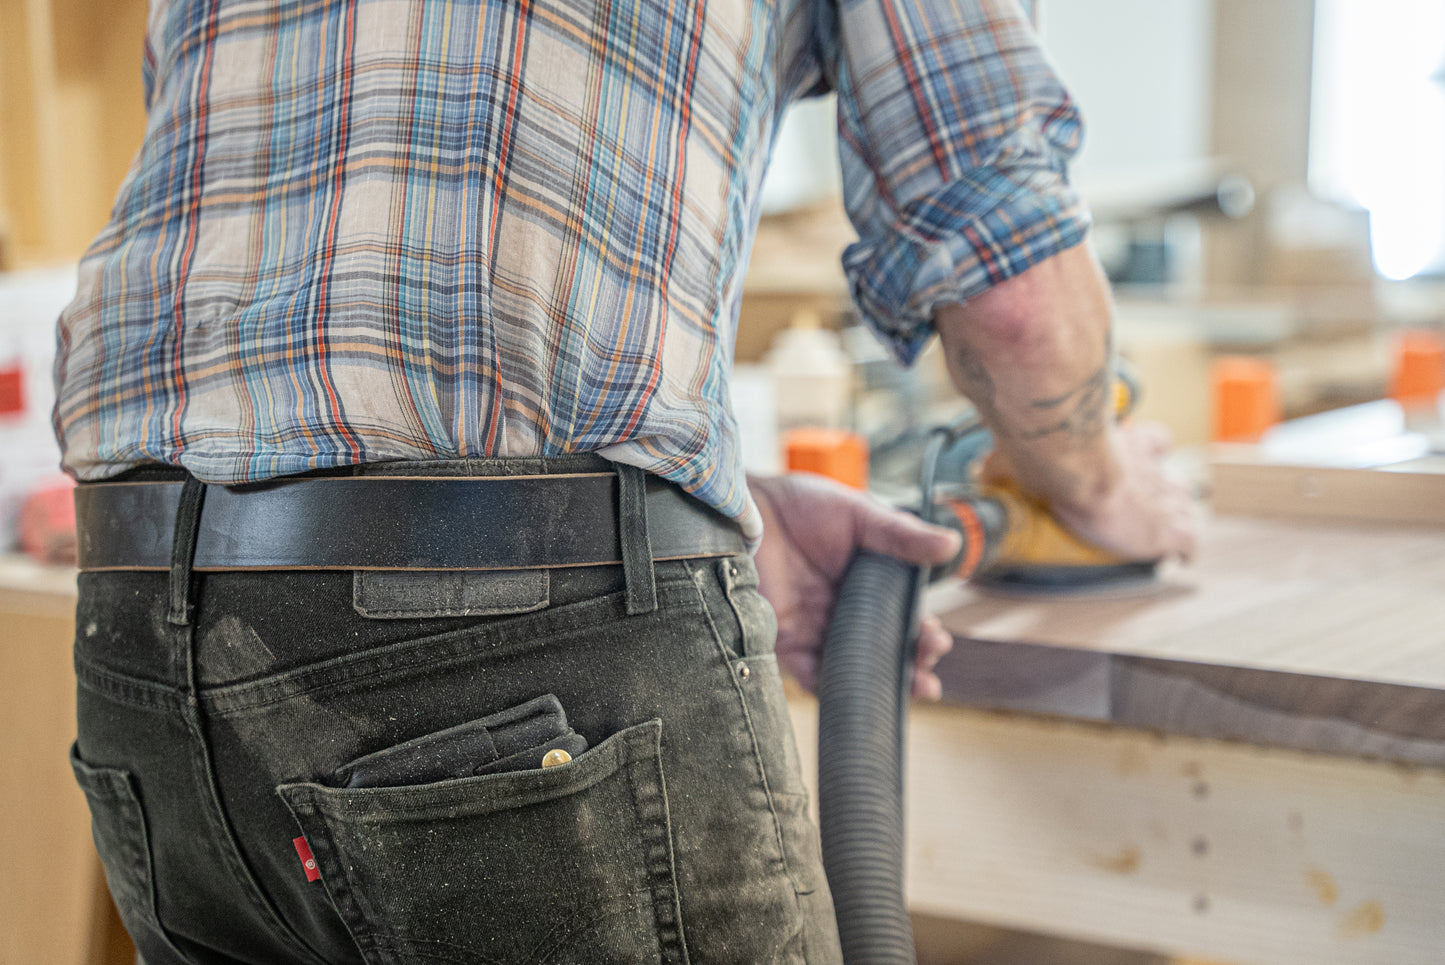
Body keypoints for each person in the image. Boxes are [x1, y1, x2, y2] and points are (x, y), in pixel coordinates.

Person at [54, 0, 1195, 961]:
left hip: (146, 640)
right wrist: (1099, 481)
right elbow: (1010, 289)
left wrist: (706, 506)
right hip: (513, 653)